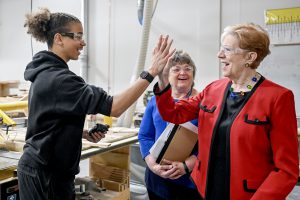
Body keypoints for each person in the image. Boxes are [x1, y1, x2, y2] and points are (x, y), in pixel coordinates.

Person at [18, 8, 173, 200]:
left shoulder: (47, 74)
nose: (83, 43)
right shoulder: (59, 80)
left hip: (51, 171)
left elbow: (48, 122)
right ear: (59, 38)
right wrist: (151, 72)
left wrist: (79, 133)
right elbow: (114, 107)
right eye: (78, 36)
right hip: (45, 174)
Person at [154, 23, 299, 200]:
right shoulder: (213, 89)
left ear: (250, 57)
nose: (219, 54)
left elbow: (286, 170)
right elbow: (174, 114)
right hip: (205, 190)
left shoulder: (278, 98)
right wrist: (162, 79)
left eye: (227, 49)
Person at [138, 50, 201, 200]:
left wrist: (187, 166)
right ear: (166, 74)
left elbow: (210, 144)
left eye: (188, 68)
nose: (183, 72)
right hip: (157, 178)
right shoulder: (155, 101)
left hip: (188, 179)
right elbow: (144, 135)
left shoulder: (202, 104)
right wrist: (153, 166)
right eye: (176, 69)